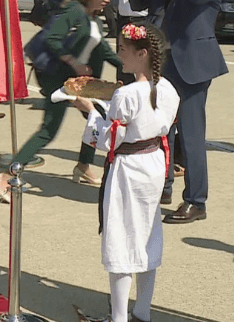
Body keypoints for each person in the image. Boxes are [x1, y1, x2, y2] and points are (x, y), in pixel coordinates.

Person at [72, 22, 179, 322]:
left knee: (121, 239)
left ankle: (119, 317)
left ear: (142, 53)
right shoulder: (168, 89)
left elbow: (110, 140)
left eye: (122, 49)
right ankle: (142, 312)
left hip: (128, 170)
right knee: (147, 235)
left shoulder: (126, 96)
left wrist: (90, 111)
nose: (119, 53)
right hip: (155, 163)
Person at [128, 0, 228, 222]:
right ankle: (164, 187)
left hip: (194, 64)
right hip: (164, 62)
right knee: (162, 130)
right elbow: (140, 3)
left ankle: (196, 201)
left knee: (191, 136)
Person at [19, 0, 122, 181]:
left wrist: (135, 68)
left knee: (97, 118)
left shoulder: (95, 19)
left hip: (80, 80)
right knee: (49, 129)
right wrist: (75, 63)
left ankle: (84, 165)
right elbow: (52, 39)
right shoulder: (74, 11)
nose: (107, 0)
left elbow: (105, 50)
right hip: (58, 76)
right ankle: (10, 172)